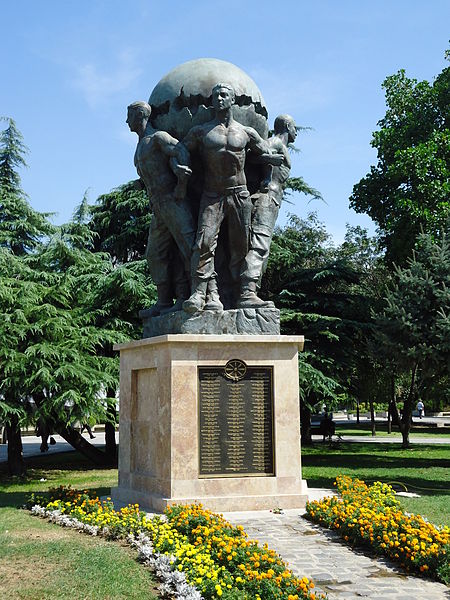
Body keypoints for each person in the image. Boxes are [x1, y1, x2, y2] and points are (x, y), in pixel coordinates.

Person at [180, 83, 284, 313]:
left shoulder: (246, 132)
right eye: (215, 95)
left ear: (232, 100)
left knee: (241, 245)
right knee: (204, 243)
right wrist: (179, 167)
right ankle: (199, 293)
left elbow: (264, 152)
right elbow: (181, 149)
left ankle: (246, 294)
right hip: (212, 195)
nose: (218, 98)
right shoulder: (201, 131)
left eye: (223, 95)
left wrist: (270, 166)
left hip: (240, 194)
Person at [126, 101, 197, 316]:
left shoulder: (158, 137)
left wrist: (180, 185)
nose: (126, 120)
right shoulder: (140, 145)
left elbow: (181, 152)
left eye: (129, 115)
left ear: (140, 115)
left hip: (173, 200)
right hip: (158, 206)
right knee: (155, 254)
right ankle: (165, 301)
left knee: (188, 247)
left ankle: (195, 295)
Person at [239, 114, 297, 307]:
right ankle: (247, 291)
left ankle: (250, 289)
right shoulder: (276, 142)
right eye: (294, 127)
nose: (296, 131)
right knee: (259, 245)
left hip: (273, 200)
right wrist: (271, 159)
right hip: (266, 198)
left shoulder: (283, 146)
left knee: (262, 246)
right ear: (288, 126)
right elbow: (252, 157)